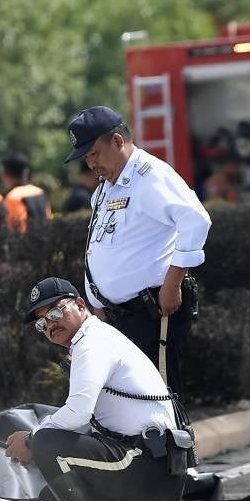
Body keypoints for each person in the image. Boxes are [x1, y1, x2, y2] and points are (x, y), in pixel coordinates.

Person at [4, 277, 192, 501]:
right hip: (152, 467)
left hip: (148, 467)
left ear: (81, 305)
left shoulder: (92, 343)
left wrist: (32, 441)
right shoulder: (93, 338)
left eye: (54, 312)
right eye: (42, 323)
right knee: (50, 496)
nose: (50, 324)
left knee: (48, 444)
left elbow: (78, 413)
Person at [63, 106, 211, 398]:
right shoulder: (106, 186)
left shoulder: (150, 175)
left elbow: (196, 220)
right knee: (132, 405)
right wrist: (98, 302)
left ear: (117, 141)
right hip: (119, 317)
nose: (90, 164)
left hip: (152, 312)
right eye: (86, 158)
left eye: (94, 154)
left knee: (160, 399)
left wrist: (172, 283)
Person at [0, 151, 51, 233]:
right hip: (46, 237)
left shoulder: (13, 197)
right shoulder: (39, 192)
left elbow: (16, 228)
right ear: (26, 172)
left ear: (5, 174)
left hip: (27, 239)